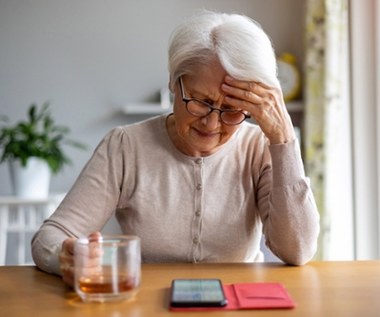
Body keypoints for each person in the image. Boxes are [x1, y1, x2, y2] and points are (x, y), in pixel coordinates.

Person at [32, 10, 320, 287]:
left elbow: (298, 250)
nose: (211, 122)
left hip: (236, 303)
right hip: (148, 304)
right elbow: (51, 236)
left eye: (232, 109)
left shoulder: (259, 147)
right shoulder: (125, 147)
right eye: (199, 101)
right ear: (174, 83)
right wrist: (66, 257)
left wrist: (283, 139)